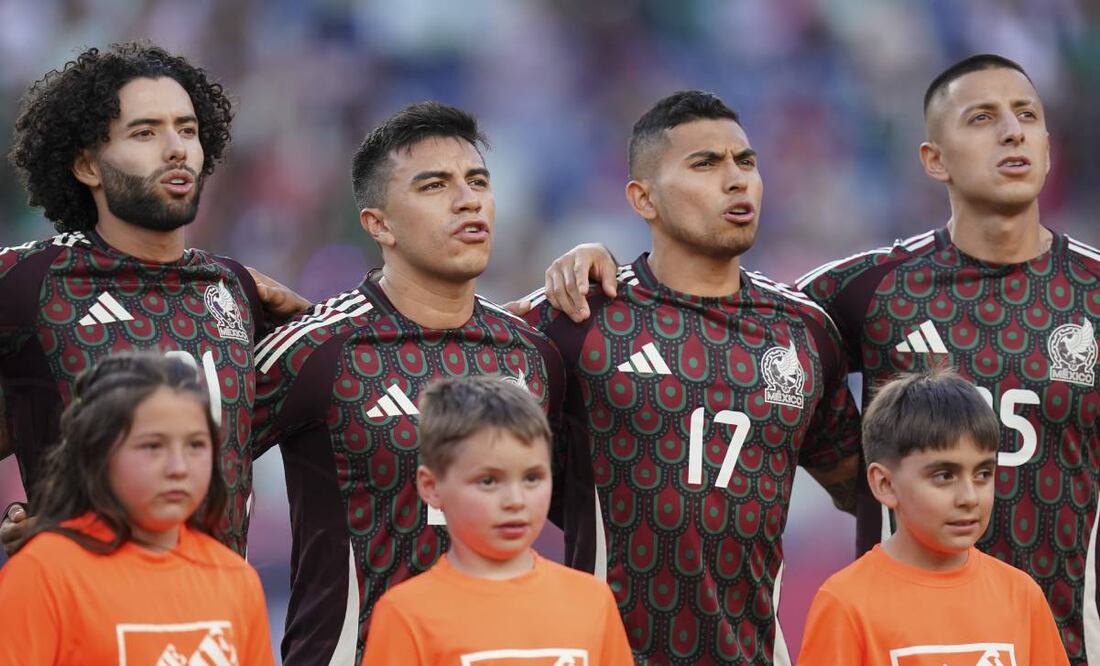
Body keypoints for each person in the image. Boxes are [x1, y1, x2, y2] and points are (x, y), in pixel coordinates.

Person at [538, 55, 1099, 664]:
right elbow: (700, 309)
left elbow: (846, 469)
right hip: (900, 643)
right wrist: (586, 268)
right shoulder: (860, 295)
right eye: (983, 117)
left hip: (1067, 638)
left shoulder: (801, 326)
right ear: (933, 158)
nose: (1012, 132)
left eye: (1026, 116)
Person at [520, 91, 862, 664]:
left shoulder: (804, 331)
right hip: (602, 653)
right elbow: (458, 342)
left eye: (745, 162)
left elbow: (866, 488)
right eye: (705, 164)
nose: (736, 180)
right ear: (643, 198)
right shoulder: (580, 315)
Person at [252, 101, 566, 665]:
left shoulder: (531, 354)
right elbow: (196, 450)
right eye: (434, 185)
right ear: (379, 224)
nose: (468, 199)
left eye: (477, 181)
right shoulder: (319, 348)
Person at [0, 41, 306, 556]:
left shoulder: (234, 289)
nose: (176, 148)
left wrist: (316, 323)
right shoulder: (31, 280)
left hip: (219, 610)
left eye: (187, 130)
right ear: (86, 166)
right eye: (145, 132)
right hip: (84, 612)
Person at [0, 352, 275, 665]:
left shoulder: (235, 578)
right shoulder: (43, 574)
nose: (178, 467)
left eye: (196, 445)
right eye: (152, 446)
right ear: (98, 454)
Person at [798, 368, 1069, 665]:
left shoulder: (1022, 595)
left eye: (983, 473)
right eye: (944, 475)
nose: (969, 497)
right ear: (885, 484)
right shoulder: (846, 603)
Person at [359, 376, 631, 664]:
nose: (515, 500)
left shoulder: (591, 600)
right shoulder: (406, 614)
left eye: (532, 478)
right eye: (488, 481)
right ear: (431, 486)